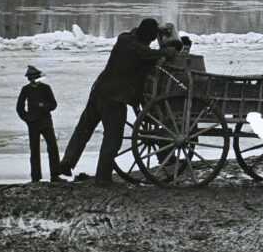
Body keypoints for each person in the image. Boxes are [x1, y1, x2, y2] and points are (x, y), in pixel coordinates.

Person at [60, 18, 180, 185]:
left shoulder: (124, 38)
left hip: (99, 90)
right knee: (113, 138)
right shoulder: (137, 48)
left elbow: (143, 49)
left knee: (84, 129)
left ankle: (67, 163)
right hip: (115, 98)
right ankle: (103, 177)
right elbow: (145, 53)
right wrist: (166, 52)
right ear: (148, 36)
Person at [16, 65, 64, 183]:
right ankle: (35, 178)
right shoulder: (25, 89)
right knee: (34, 150)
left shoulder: (46, 88)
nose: (33, 79)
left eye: (35, 77)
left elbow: (53, 105)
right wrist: (27, 119)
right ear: (28, 78)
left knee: (53, 147)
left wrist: (44, 106)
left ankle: (55, 175)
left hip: (46, 122)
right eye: (31, 77)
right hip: (33, 124)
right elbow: (19, 108)